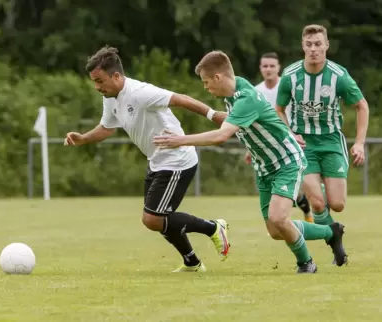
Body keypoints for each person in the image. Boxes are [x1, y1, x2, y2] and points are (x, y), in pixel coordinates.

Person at [154, 50, 348, 273]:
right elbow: (248, 119)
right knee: (275, 231)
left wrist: (179, 140)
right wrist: (209, 114)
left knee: (279, 217)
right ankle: (331, 232)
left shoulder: (245, 98)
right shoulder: (237, 89)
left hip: (286, 161)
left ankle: (306, 264)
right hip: (264, 167)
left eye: (207, 82)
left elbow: (221, 136)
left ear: (218, 77)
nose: (206, 87)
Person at [64, 46, 230, 273]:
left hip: (177, 160)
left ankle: (212, 228)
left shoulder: (140, 92)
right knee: (160, 218)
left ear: (116, 76)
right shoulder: (111, 97)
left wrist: (213, 115)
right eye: (94, 81)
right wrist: (82, 139)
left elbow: (180, 99)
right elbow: (106, 128)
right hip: (157, 161)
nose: (97, 87)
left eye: (100, 81)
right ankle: (191, 262)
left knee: (153, 218)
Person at [276, 25, 369, 264]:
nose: (313, 49)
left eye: (318, 44)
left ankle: (332, 222)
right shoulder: (290, 75)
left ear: (326, 45)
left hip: (331, 142)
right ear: (303, 46)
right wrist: (289, 134)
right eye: (309, 45)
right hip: (304, 145)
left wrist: (359, 143)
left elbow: (362, 106)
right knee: (317, 203)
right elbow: (278, 110)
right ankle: (335, 243)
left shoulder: (338, 75)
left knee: (336, 204)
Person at [252, 52, 313, 223]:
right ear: (260, 68)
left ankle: (303, 213)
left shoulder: (286, 87)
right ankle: (290, 216)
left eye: (272, 66)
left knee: (297, 185)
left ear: (278, 67)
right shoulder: (256, 91)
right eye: (265, 66)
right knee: (277, 186)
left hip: (291, 143)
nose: (268, 69)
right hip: (267, 146)